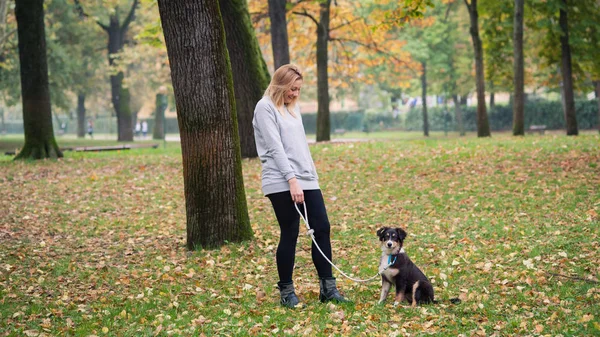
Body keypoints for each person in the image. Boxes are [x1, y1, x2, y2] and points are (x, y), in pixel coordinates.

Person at [252, 64, 350, 308]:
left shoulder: (292, 110)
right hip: (280, 180)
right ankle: (286, 292)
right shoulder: (265, 108)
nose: (295, 94)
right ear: (280, 85)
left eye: (298, 90)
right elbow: (275, 148)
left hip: (305, 178)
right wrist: (292, 180)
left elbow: (300, 147)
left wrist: (311, 178)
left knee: (322, 228)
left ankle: (328, 288)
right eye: (292, 89)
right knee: (290, 232)